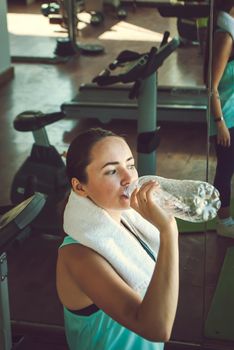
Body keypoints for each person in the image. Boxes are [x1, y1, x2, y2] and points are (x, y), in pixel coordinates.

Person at [56, 128, 179, 349]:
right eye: (112, 171)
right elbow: (157, 328)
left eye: (130, 165)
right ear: (79, 187)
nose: (129, 178)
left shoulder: (129, 222)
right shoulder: (78, 255)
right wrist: (168, 231)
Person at [204, 0, 234, 238]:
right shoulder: (225, 38)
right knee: (226, 168)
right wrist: (219, 122)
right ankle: (223, 222)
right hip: (226, 117)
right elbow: (212, 87)